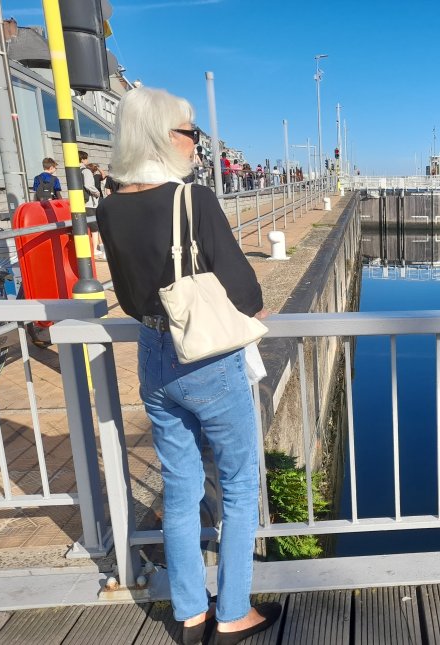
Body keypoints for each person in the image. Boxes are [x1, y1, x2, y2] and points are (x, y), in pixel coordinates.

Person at [96, 86, 279, 645]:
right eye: (188, 133)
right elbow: (244, 288)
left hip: (152, 357)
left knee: (179, 487)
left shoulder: (110, 206)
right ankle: (233, 614)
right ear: (160, 136)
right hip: (207, 360)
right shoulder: (191, 200)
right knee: (240, 482)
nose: (196, 144)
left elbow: (127, 300)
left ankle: (190, 612)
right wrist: (253, 312)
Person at [79, 151, 103, 259]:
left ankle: (87, 250)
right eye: (86, 159)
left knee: (84, 227)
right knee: (94, 228)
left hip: (79, 203)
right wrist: (97, 193)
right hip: (89, 203)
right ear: (83, 159)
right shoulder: (86, 171)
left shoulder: (73, 171)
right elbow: (88, 185)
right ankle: (95, 250)